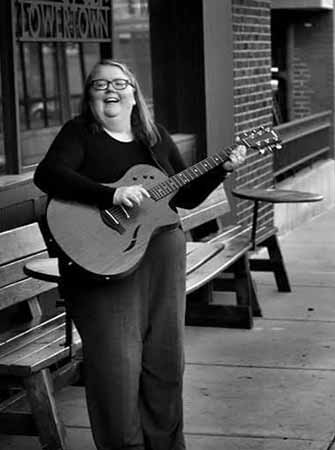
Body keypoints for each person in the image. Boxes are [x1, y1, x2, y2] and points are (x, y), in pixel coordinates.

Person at [34, 59, 246, 450]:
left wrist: (221, 170)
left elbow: (185, 196)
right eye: (99, 85)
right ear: (90, 97)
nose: (109, 90)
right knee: (116, 367)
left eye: (118, 83)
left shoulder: (155, 136)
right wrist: (110, 194)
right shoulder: (79, 133)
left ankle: (166, 444)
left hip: (162, 257)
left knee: (165, 361)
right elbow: (47, 175)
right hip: (103, 266)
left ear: (134, 93)